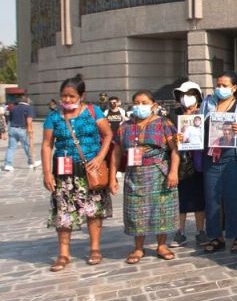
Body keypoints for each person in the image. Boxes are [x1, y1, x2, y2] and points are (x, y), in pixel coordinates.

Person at [41, 74, 114, 271]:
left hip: (90, 172)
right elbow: (47, 145)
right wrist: (47, 173)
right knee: (63, 213)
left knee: (93, 211)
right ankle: (63, 254)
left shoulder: (93, 111)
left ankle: (95, 249)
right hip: (64, 174)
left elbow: (108, 135)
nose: (67, 100)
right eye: (64, 96)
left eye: (72, 96)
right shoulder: (54, 117)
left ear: (82, 95)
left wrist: (99, 158)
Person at [113, 90, 180, 263]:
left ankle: (162, 245)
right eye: (136, 103)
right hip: (134, 175)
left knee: (161, 209)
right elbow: (117, 152)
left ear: (154, 106)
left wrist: (173, 172)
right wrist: (112, 176)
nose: (140, 106)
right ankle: (138, 248)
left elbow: (175, 149)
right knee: (136, 211)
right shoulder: (124, 126)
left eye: (144, 103)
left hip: (159, 173)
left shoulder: (164, 123)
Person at [201, 71, 237, 254]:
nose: (220, 89)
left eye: (225, 85)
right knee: (212, 197)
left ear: (234, 88)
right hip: (211, 155)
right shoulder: (208, 103)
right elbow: (198, 126)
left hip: (233, 155)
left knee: (236, 196)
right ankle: (216, 236)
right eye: (218, 85)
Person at [169, 81, 207, 248]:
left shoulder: (204, 113)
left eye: (190, 94)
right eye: (183, 95)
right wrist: (174, 139)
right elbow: (169, 139)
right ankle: (180, 231)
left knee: (199, 198)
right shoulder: (173, 115)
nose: (186, 98)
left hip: (200, 161)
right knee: (181, 199)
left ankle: (200, 231)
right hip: (181, 162)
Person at [4, 95, 38, 171]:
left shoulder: (14, 108)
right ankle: (31, 162)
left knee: (11, 148)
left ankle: (8, 164)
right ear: (27, 101)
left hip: (12, 129)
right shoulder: (28, 108)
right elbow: (29, 120)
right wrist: (30, 130)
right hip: (22, 129)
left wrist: (7, 130)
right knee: (27, 146)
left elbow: (10, 120)